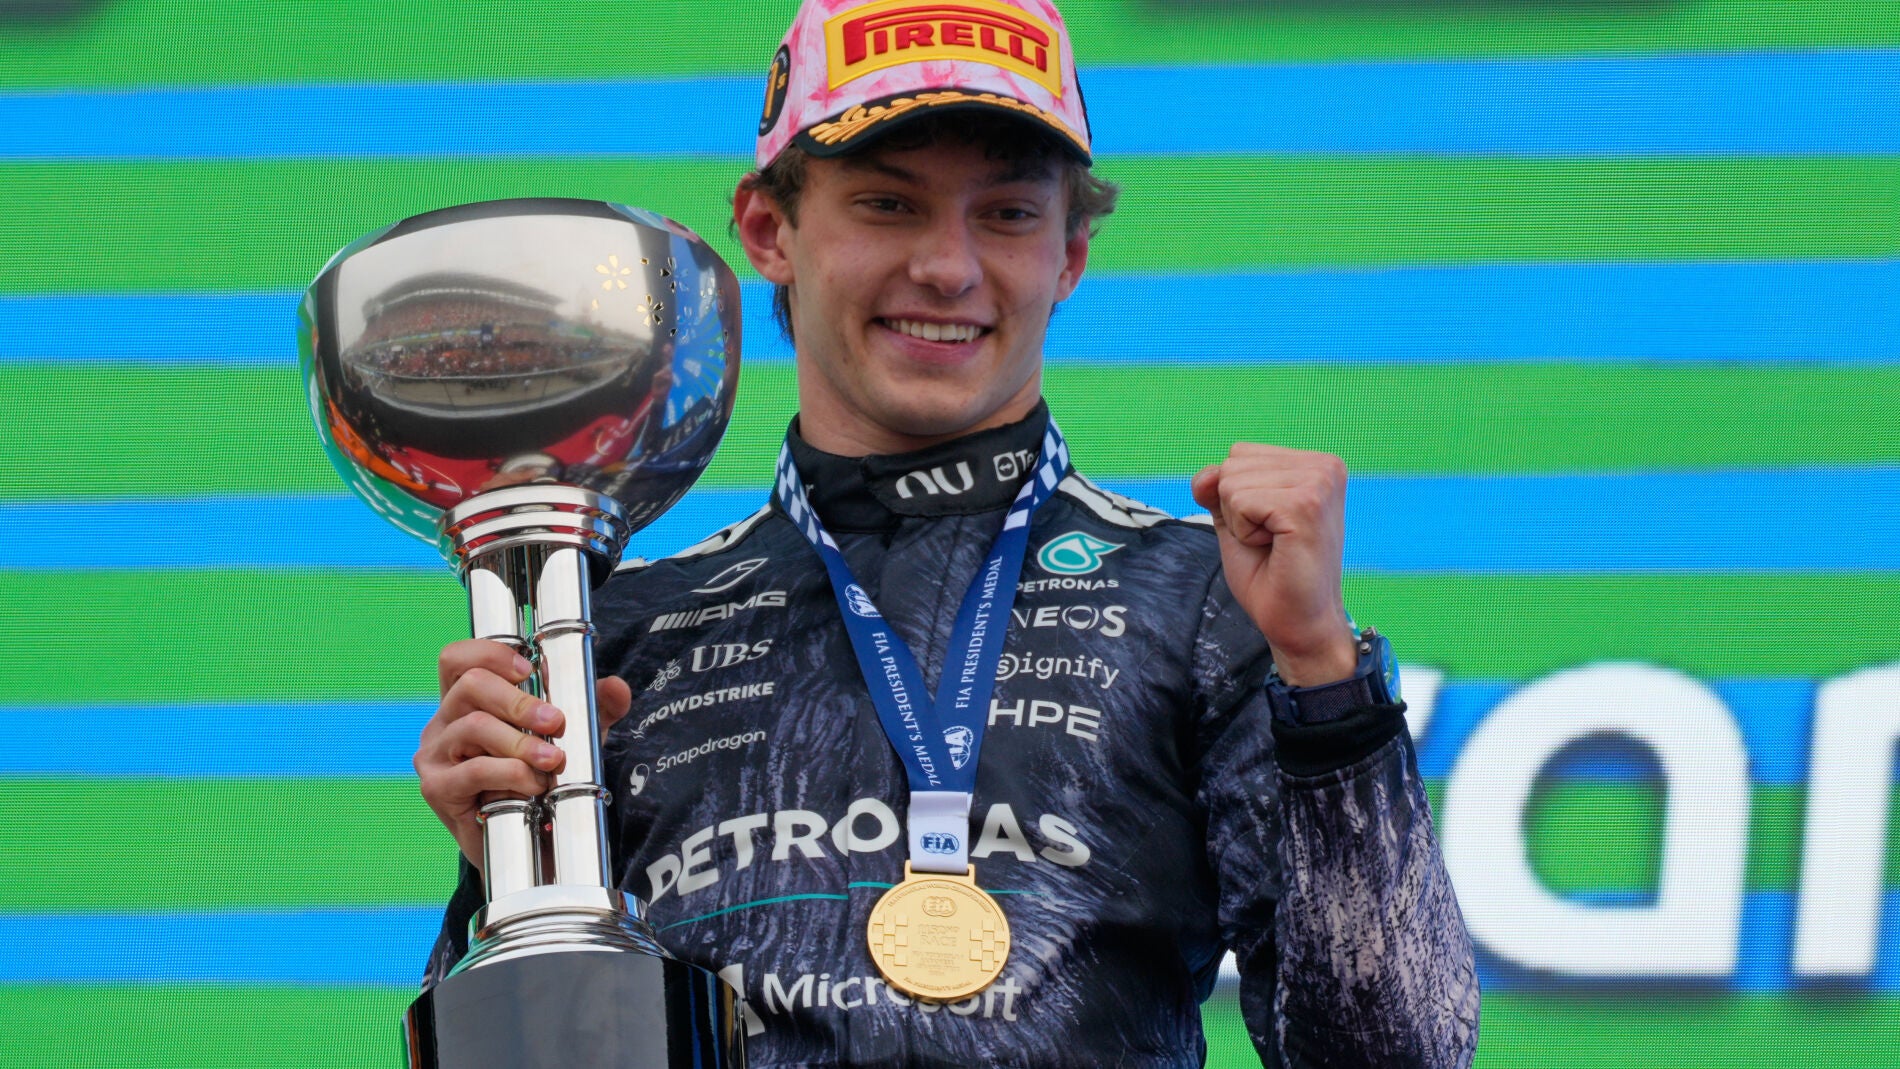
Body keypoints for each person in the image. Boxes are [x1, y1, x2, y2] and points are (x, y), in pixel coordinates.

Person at [414, 0, 1481, 1064]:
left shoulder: (1206, 600)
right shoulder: (623, 636)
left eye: (1007, 214)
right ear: (768, 230)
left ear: (1071, 254)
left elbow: (1400, 1054)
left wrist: (1324, 679)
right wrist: (509, 876)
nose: (948, 267)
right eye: (888, 204)